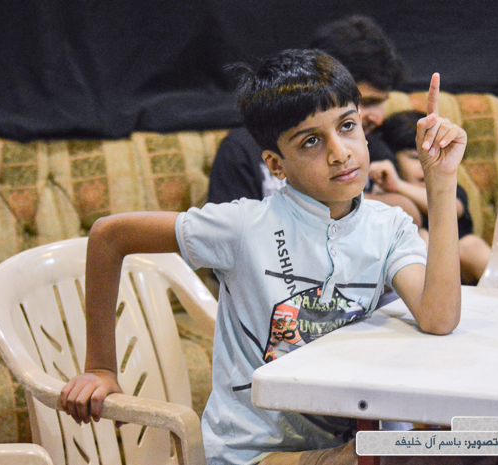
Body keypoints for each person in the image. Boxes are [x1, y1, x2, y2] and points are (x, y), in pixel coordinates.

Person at [59, 49, 465, 464]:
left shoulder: (389, 225)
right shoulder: (244, 226)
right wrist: (100, 368)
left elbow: (438, 318)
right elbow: (110, 236)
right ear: (275, 164)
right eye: (311, 141)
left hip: (356, 444)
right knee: (420, 454)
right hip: (255, 454)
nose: (339, 152)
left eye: (346, 126)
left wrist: (441, 181)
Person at [208, 15, 405, 205]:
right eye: (367, 102)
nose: (378, 118)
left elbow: (406, 207)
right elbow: (229, 227)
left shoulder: (369, 141)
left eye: (347, 125)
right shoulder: (242, 149)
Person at [370, 110, 498, 288]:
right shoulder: (386, 191)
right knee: (421, 238)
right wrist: (392, 186)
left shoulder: (446, 184)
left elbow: (452, 207)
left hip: (460, 270)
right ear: (392, 160)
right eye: (416, 158)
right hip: (414, 278)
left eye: (435, 155)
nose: (427, 165)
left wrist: (399, 185)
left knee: (471, 245)